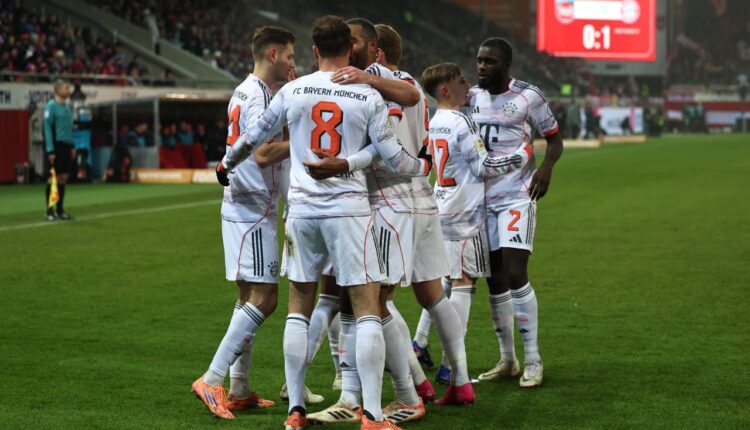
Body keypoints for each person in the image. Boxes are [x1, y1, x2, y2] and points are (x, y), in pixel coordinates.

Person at [215, 15, 431, 430]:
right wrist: (422, 165)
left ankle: (295, 410)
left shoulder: (293, 90)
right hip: (348, 211)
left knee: (299, 308)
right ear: (349, 49)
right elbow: (392, 156)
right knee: (366, 309)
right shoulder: (365, 94)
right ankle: (371, 414)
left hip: (302, 212)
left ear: (314, 51)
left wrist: (227, 163)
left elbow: (255, 134)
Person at [190, 26, 297, 420]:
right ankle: (212, 378)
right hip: (252, 207)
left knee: (247, 297)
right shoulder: (259, 96)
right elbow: (264, 153)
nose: (293, 63)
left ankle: (238, 388)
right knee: (265, 299)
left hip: (245, 203)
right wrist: (302, 139)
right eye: (289, 56)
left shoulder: (245, 90)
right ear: (272, 54)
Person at [416, 61, 533, 388]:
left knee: (447, 280)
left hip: (441, 207)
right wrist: (521, 155)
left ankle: (423, 342)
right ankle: (451, 365)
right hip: (464, 215)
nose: (468, 85)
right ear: (445, 90)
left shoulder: (434, 122)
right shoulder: (461, 122)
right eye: (460, 81)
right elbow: (483, 167)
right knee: (463, 284)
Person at [469, 38, 563, 388]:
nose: (482, 66)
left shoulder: (528, 96)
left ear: (506, 64)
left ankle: (533, 359)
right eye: (479, 60)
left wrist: (546, 169)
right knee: (493, 278)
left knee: (514, 272)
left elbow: (554, 139)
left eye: (490, 61)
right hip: (481, 199)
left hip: (516, 195)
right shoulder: (471, 97)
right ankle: (507, 359)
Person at [43, 79, 75, 221]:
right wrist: (50, 150)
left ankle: (60, 210)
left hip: (66, 147)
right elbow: (47, 128)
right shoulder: (51, 106)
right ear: (58, 90)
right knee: (53, 179)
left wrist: (72, 146)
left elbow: (68, 129)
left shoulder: (66, 107)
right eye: (66, 88)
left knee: (63, 179)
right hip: (56, 146)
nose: (68, 91)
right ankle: (49, 211)